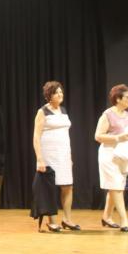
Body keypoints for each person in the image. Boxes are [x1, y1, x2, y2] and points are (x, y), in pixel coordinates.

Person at [33, 81, 80, 232]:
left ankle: (67, 219)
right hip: (49, 153)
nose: (60, 95)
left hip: (64, 153)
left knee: (67, 185)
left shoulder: (64, 111)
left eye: (61, 92)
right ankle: (51, 220)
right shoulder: (43, 111)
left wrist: (70, 155)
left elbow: (66, 135)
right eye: (56, 92)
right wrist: (39, 158)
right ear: (49, 95)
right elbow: (36, 136)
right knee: (50, 187)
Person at [94, 84, 128, 233]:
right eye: (127, 97)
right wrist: (117, 137)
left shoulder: (127, 115)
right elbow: (98, 136)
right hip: (109, 154)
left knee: (116, 187)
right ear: (118, 98)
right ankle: (124, 220)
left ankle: (106, 217)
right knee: (116, 186)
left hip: (123, 153)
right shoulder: (107, 114)